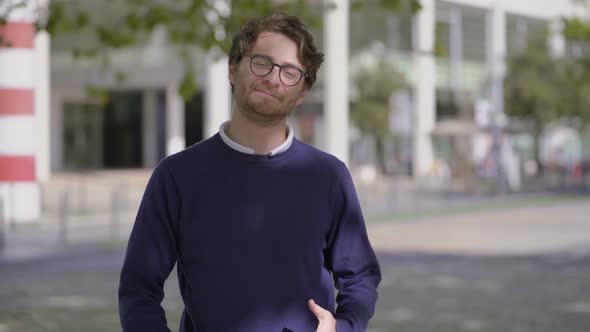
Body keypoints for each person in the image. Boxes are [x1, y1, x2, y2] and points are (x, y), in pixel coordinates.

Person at [119, 12, 381, 332]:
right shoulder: (176, 176)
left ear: (303, 93)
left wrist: (343, 327)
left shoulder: (328, 176)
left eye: (290, 72)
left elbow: (360, 276)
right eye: (262, 62)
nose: (273, 78)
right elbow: (138, 289)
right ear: (233, 69)